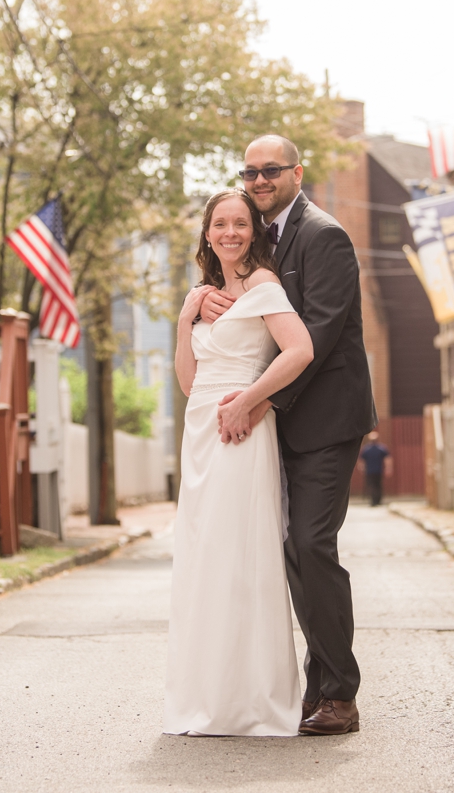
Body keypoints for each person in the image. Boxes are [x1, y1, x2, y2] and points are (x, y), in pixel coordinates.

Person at [201, 134, 376, 737]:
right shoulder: (259, 243)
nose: (258, 181)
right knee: (290, 553)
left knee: (310, 546)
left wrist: (258, 400)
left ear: (298, 171)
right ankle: (317, 688)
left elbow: (319, 334)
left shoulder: (323, 234)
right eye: (248, 172)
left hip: (325, 420)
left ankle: (342, 696)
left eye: (269, 170)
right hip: (277, 424)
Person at [164, 188, 314, 737]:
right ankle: (208, 697)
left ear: (254, 231)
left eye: (241, 223)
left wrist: (249, 402)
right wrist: (185, 318)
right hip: (201, 431)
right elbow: (188, 382)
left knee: (239, 556)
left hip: (240, 429)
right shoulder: (205, 296)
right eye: (220, 224)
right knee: (205, 559)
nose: (230, 232)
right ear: (206, 233)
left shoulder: (263, 285)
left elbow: (300, 351)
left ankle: (253, 700)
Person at [359, 432, 391, 507]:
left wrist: (362, 467)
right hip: (375, 470)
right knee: (377, 485)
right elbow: (387, 459)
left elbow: (361, 461)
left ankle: (375, 501)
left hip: (372, 471)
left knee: (373, 485)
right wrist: (388, 468)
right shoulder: (381, 448)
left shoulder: (367, 449)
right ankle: (376, 500)